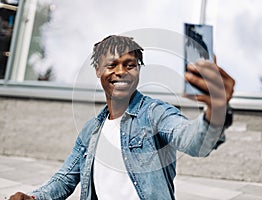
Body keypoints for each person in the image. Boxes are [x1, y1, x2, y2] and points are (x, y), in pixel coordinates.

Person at [9, 35, 235, 200]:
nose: (121, 71)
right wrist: (34, 198)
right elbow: (65, 177)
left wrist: (216, 111)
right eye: (112, 65)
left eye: (130, 65)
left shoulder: (155, 113)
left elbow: (194, 141)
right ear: (98, 70)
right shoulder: (91, 130)